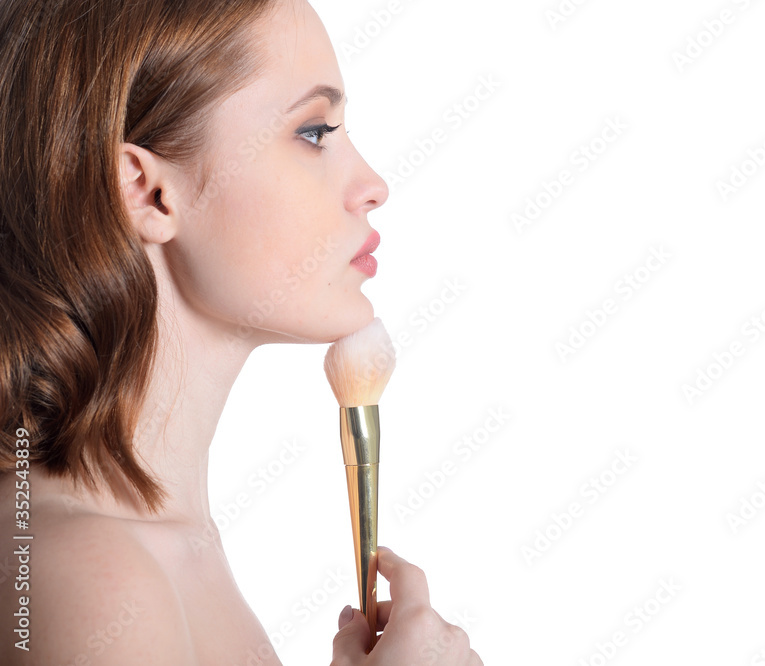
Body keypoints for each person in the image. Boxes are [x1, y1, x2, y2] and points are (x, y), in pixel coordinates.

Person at [0, 0, 482, 663]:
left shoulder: (153, 541)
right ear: (146, 192)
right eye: (314, 131)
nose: (372, 186)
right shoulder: (96, 578)